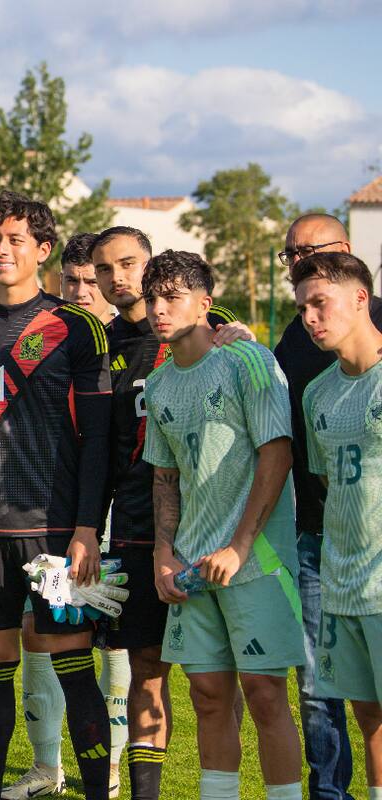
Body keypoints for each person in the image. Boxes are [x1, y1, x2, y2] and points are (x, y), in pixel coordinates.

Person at [0, 191, 112, 800]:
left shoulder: (76, 326)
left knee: (72, 661)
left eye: (16, 240)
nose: (2, 250)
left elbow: (99, 440)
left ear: (43, 249)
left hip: (55, 532)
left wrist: (87, 527)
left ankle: (90, 791)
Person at [73, 227, 244, 800]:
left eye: (127, 264)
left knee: (223, 678)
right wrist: (92, 528)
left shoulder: (207, 331)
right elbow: (103, 448)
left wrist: (232, 331)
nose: (116, 277)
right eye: (104, 268)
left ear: (149, 268)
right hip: (144, 530)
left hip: (215, 528)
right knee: (145, 666)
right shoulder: (103, 348)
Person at [141, 249, 304, 800]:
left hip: (254, 561)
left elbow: (276, 454)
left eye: (172, 297)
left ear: (205, 304)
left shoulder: (247, 361)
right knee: (208, 695)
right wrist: (165, 553)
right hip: (190, 565)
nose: (158, 309)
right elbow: (165, 479)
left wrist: (238, 546)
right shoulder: (159, 383)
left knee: (263, 693)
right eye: (152, 298)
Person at [5, 231, 130, 799]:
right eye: (71, 280)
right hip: (53, 514)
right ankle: (46, 764)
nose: (80, 291)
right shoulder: (44, 339)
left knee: (112, 636)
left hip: (113, 516)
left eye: (90, 281)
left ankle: (109, 761)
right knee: (44, 627)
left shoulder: (131, 339)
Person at [273, 213, 370, 800]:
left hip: (376, 543)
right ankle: (328, 793)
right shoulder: (293, 340)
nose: (298, 263)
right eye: (290, 256)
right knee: (317, 685)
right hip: (317, 539)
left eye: (311, 252)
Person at [296, 251, 382, 800]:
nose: (309, 316)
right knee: (369, 715)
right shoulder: (317, 394)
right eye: (302, 306)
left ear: (360, 298)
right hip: (342, 583)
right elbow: (331, 486)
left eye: (319, 303)